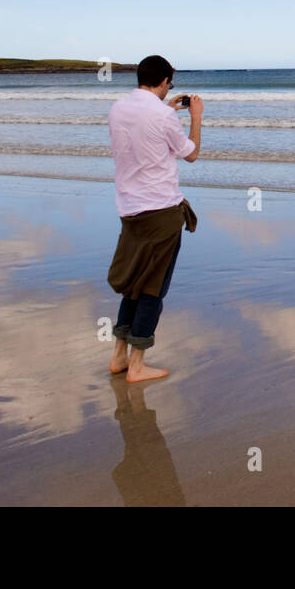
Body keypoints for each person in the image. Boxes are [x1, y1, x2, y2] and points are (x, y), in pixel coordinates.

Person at [105, 55, 203, 382]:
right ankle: (137, 365)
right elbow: (190, 153)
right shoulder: (161, 115)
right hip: (161, 212)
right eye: (169, 83)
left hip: (130, 210)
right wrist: (196, 118)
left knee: (133, 284)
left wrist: (169, 109)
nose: (169, 88)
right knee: (152, 289)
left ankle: (119, 356)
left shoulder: (119, 108)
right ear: (163, 81)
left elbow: (143, 130)